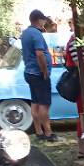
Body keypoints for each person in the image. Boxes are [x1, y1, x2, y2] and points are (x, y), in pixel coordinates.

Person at [20, 9, 55, 140]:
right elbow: (39, 54)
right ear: (39, 20)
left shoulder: (25, 33)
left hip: (29, 72)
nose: (44, 23)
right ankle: (48, 133)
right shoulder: (36, 33)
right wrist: (45, 71)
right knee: (44, 104)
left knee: (35, 102)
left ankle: (38, 131)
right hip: (38, 73)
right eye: (43, 20)